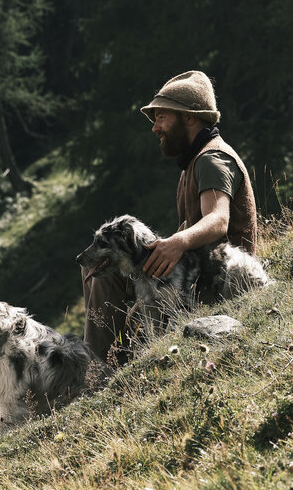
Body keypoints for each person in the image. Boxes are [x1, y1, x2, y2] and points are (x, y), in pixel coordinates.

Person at [82, 70, 257, 362]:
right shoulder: (194, 163)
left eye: (162, 117)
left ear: (189, 118)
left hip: (216, 277)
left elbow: (218, 220)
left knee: (102, 277)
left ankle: (94, 372)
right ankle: (104, 363)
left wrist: (176, 243)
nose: (155, 127)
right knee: (100, 264)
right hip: (195, 270)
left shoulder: (212, 159)